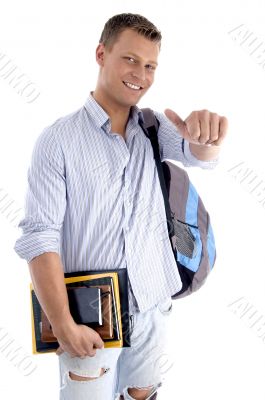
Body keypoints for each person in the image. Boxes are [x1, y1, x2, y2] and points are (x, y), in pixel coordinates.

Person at [14, 13, 228, 400]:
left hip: (153, 305)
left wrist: (206, 135)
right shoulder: (57, 141)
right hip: (88, 316)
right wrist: (62, 325)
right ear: (101, 53)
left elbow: (199, 154)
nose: (141, 75)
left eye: (150, 66)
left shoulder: (153, 128)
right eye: (130, 59)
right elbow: (39, 237)